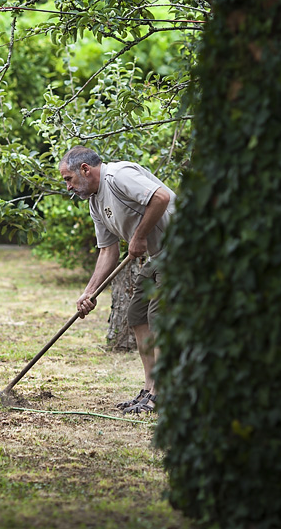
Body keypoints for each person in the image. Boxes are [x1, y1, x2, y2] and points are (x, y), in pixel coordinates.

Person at [58, 146, 176, 414]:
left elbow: (161, 197)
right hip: (158, 254)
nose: (68, 186)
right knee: (137, 316)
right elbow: (108, 251)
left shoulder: (118, 176)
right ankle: (150, 388)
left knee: (159, 315)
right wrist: (89, 292)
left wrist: (139, 235)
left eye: (69, 179)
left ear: (85, 169)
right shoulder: (94, 202)